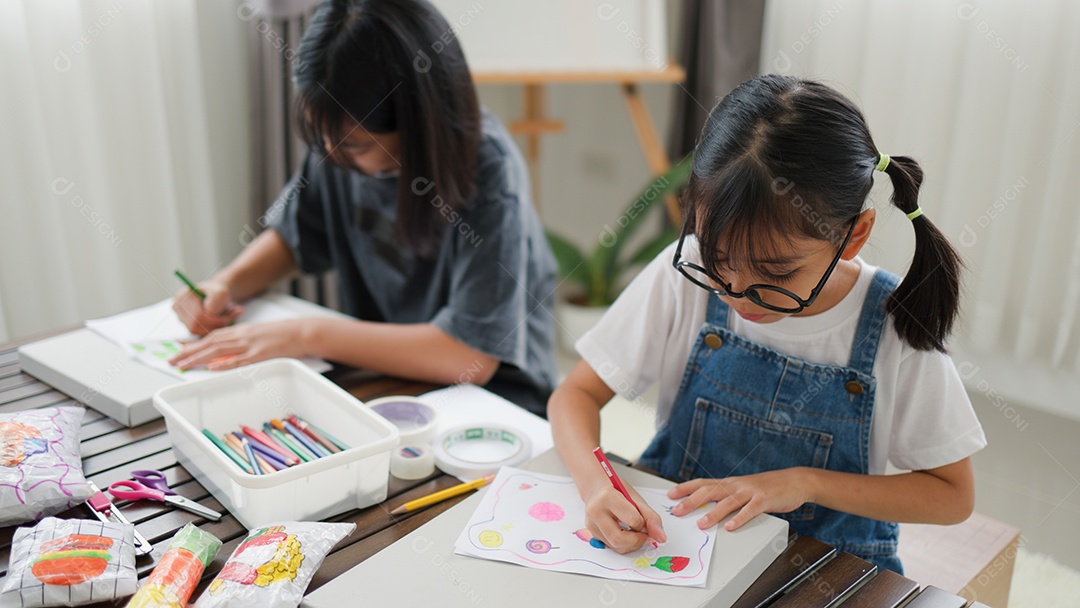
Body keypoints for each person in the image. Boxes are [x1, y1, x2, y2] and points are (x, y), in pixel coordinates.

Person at [549, 75, 987, 572]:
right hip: (682, 543)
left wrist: (804, 482)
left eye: (775, 272)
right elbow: (574, 396)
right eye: (719, 258)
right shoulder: (686, 275)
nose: (736, 291)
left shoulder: (892, 323)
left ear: (853, 236)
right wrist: (597, 483)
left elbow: (952, 496)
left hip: (826, 563)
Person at [169, 0, 557, 415]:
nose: (333, 155)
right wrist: (227, 283)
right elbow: (295, 236)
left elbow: (468, 357)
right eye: (322, 139)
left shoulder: (489, 171)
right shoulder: (339, 142)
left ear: (418, 123)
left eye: (356, 144)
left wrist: (307, 334)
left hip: (495, 401)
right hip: (393, 376)